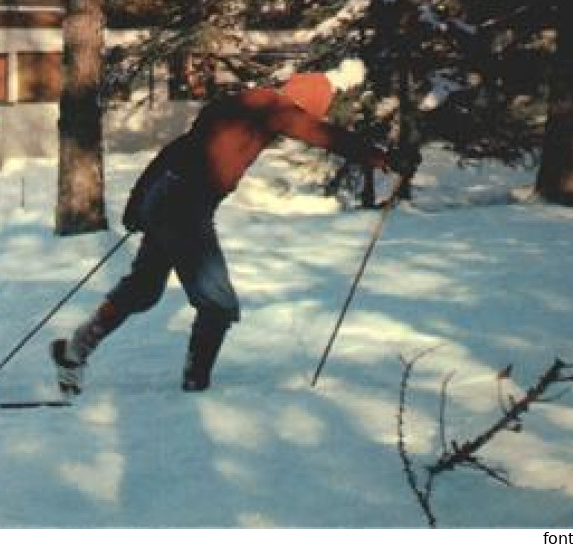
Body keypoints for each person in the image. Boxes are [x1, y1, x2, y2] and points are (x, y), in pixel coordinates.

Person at [50, 59, 405, 395]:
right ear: (304, 103)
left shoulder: (237, 106)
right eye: (307, 111)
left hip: (167, 202)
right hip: (186, 210)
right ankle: (195, 389)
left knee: (143, 289)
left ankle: (74, 350)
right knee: (217, 304)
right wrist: (380, 157)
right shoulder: (271, 106)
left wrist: (140, 201)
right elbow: (319, 133)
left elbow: (176, 149)